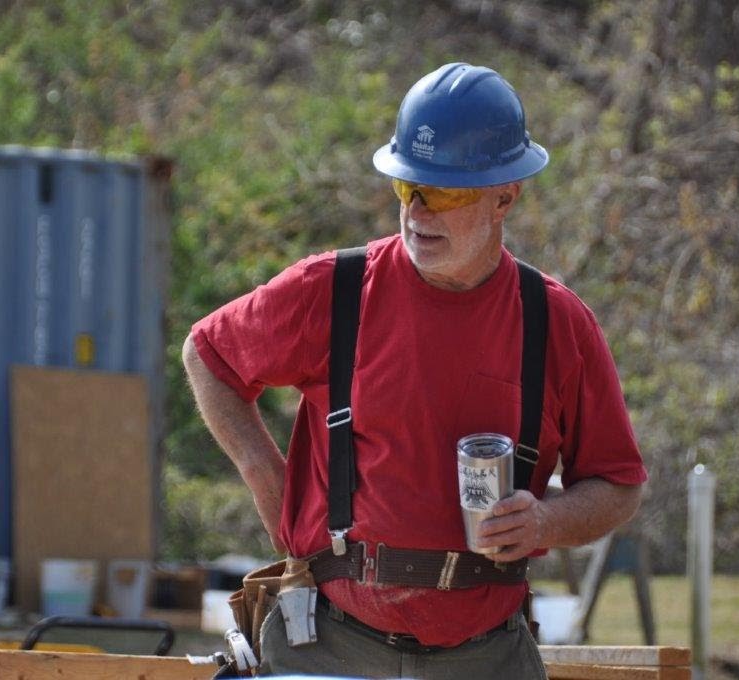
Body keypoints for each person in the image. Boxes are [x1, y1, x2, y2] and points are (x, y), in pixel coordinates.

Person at [182, 62, 647, 678]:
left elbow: (617, 485)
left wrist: (546, 520)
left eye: (446, 193)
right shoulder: (336, 289)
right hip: (328, 645)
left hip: (486, 654)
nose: (419, 213)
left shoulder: (558, 324)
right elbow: (208, 354)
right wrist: (267, 476)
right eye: (408, 187)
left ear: (507, 194)